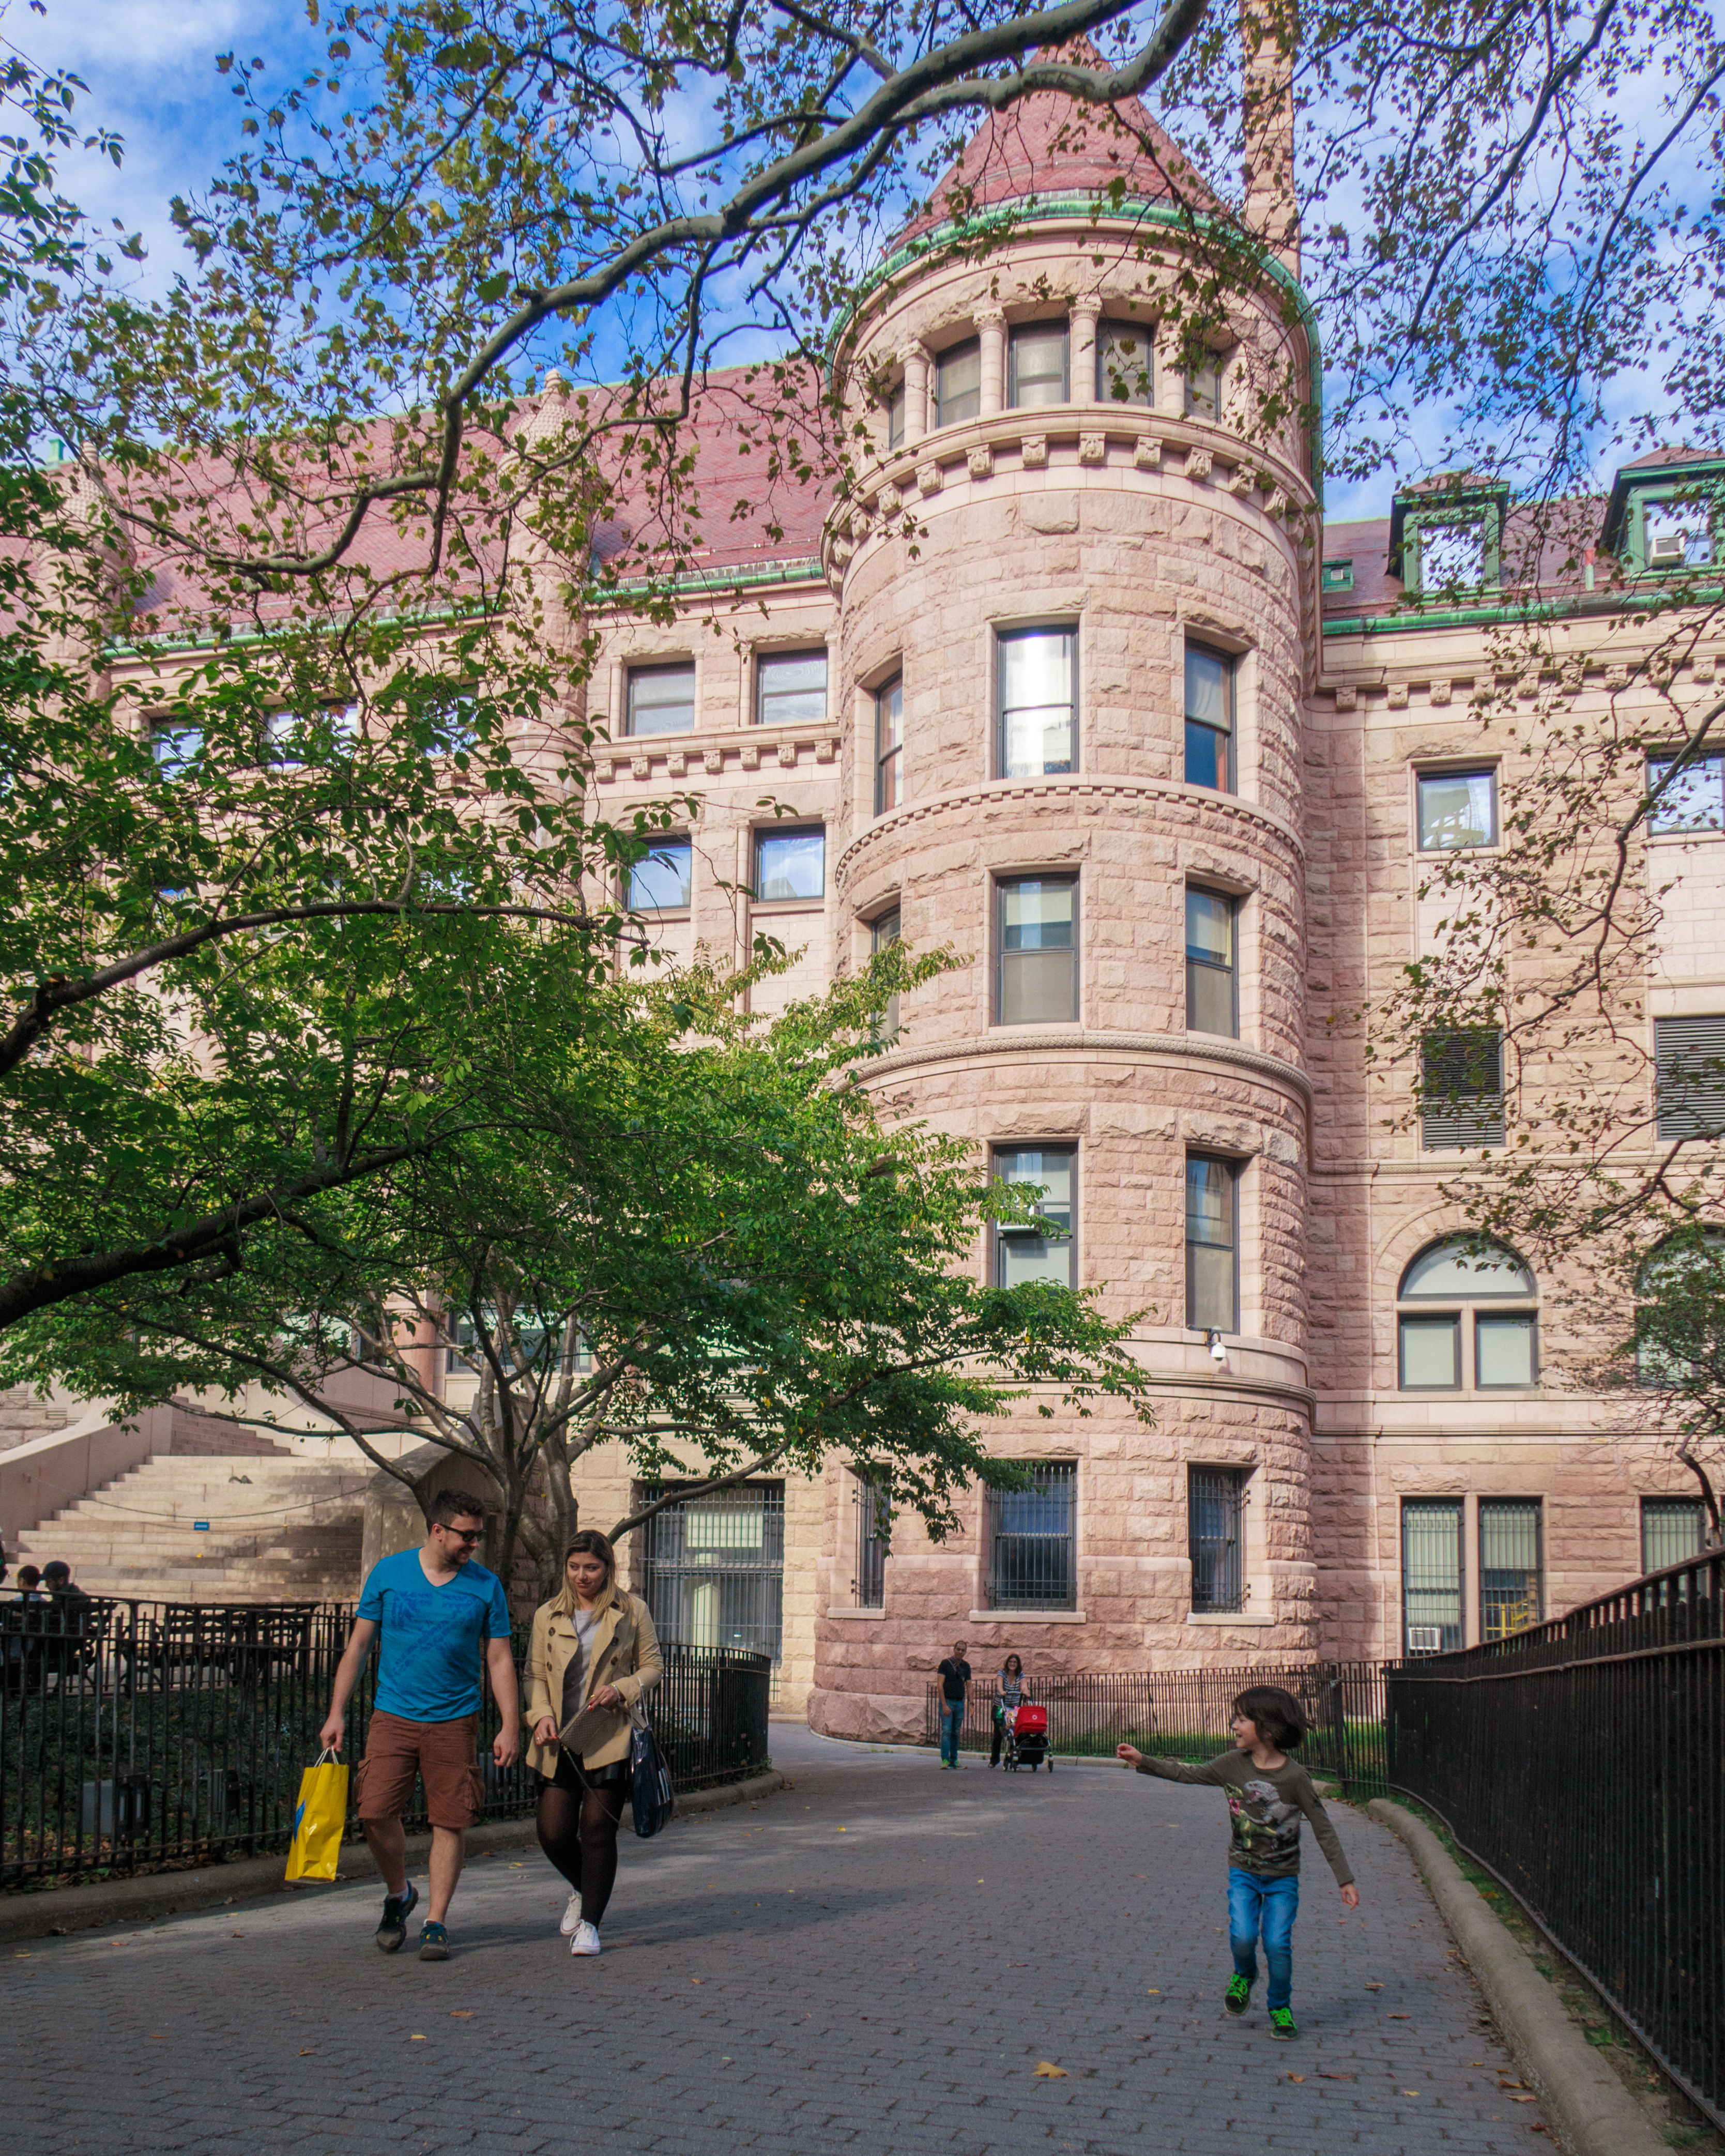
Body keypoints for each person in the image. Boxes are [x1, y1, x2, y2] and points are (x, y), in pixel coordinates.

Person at [319, 1489, 521, 1962]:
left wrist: (510, 1724)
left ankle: (435, 1921)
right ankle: (398, 1894)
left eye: (478, 1536)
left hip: (455, 1719)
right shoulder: (389, 1573)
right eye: (466, 1536)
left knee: (449, 1820)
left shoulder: (485, 1585)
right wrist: (336, 1712)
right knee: (373, 1810)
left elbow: (498, 1657)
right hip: (392, 1714)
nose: (473, 1544)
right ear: (437, 1530)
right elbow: (359, 1646)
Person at [1117, 1685, 1360, 2042]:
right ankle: (1244, 1974)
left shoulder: (1294, 1778)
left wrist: (1344, 1878)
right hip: (1243, 1871)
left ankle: (1280, 2006)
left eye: (1242, 1718)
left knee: (1277, 1943)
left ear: (1268, 1729)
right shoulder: (1231, 1765)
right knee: (1243, 1935)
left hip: (1281, 1877)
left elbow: (1323, 1827)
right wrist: (1143, 1760)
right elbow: (1189, 1773)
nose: (1234, 1724)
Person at [523, 1529, 662, 1958]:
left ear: (607, 1568)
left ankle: (591, 1925)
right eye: (575, 1566)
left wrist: (623, 1687)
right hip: (558, 1738)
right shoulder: (548, 1613)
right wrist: (540, 1714)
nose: (582, 1575)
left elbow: (653, 1666)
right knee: (552, 1833)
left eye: (592, 1567)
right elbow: (534, 1675)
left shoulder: (631, 1610)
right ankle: (583, 1888)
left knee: (597, 1830)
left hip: (608, 1734)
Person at [989, 1653, 1030, 1768]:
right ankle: (994, 1759)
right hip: (1000, 1708)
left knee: (1014, 1733)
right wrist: (1002, 1692)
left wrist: (1026, 1692)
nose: (1012, 1664)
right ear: (1007, 1663)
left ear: (1018, 1665)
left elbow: (1024, 1686)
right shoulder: (1002, 1673)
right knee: (998, 1733)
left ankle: (1013, 1758)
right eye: (1010, 1662)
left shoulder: (1020, 1675)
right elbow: (999, 1685)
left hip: (1013, 1709)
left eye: (1015, 1662)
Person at [935, 1639, 971, 1768]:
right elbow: (940, 1685)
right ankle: (945, 1760)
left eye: (963, 1650)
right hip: (948, 1701)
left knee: (956, 1732)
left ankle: (954, 1760)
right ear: (954, 1650)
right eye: (958, 1649)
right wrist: (944, 1704)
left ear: (965, 1652)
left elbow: (969, 1685)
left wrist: (971, 1704)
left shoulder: (966, 1667)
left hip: (960, 1703)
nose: (960, 1652)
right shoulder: (945, 1664)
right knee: (946, 1731)